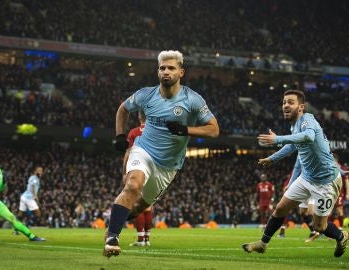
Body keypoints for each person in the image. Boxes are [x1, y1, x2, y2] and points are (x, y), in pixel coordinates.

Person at [103, 50, 219, 258]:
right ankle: (113, 237)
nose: (166, 72)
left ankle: (114, 223)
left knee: (138, 208)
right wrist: (120, 136)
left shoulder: (193, 99)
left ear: (181, 72)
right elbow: (123, 109)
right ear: (158, 71)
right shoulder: (145, 94)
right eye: (162, 68)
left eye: (171, 68)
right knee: (132, 185)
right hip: (143, 150)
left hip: (168, 166)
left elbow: (213, 129)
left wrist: (185, 130)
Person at [242, 90, 347, 257]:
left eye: (290, 102)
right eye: (284, 102)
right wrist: (272, 158)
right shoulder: (294, 125)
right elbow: (292, 145)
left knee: (319, 226)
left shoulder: (307, 120)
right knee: (280, 209)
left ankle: (341, 236)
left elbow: (309, 136)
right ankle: (262, 244)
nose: (285, 105)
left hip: (326, 181)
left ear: (301, 107)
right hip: (306, 178)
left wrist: (278, 139)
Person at [0, 146, 45, 242]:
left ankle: (31, 236)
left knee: (11, 217)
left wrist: (4, 181)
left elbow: (1, 188)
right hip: (27, 197)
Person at [123, 111, 153, 247]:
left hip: (139, 169)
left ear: (139, 117)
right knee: (147, 204)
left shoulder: (134, 132)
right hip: (154, 169)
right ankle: (146, 239)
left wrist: (124, 171)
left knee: (136, 203)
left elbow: (129, 152)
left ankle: (141, 239)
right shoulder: (157, 131)